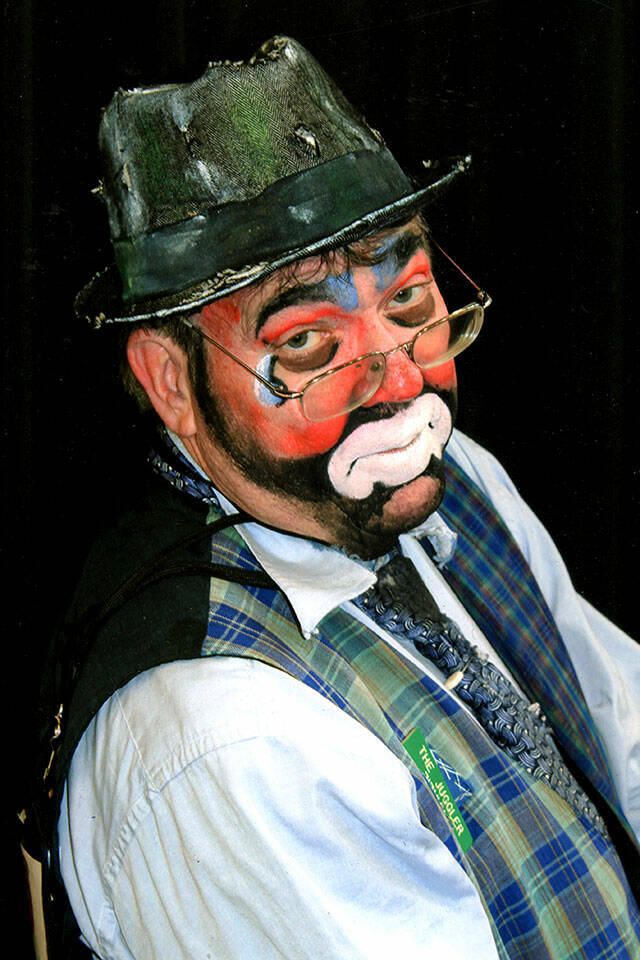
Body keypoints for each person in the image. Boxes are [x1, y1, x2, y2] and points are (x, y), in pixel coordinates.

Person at [44, 34, 639, 960]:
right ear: (170, 382)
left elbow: (610, 708)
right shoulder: (228, 743)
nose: (399, 385)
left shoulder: (452, 478)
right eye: (312, 348)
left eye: (409, 305)